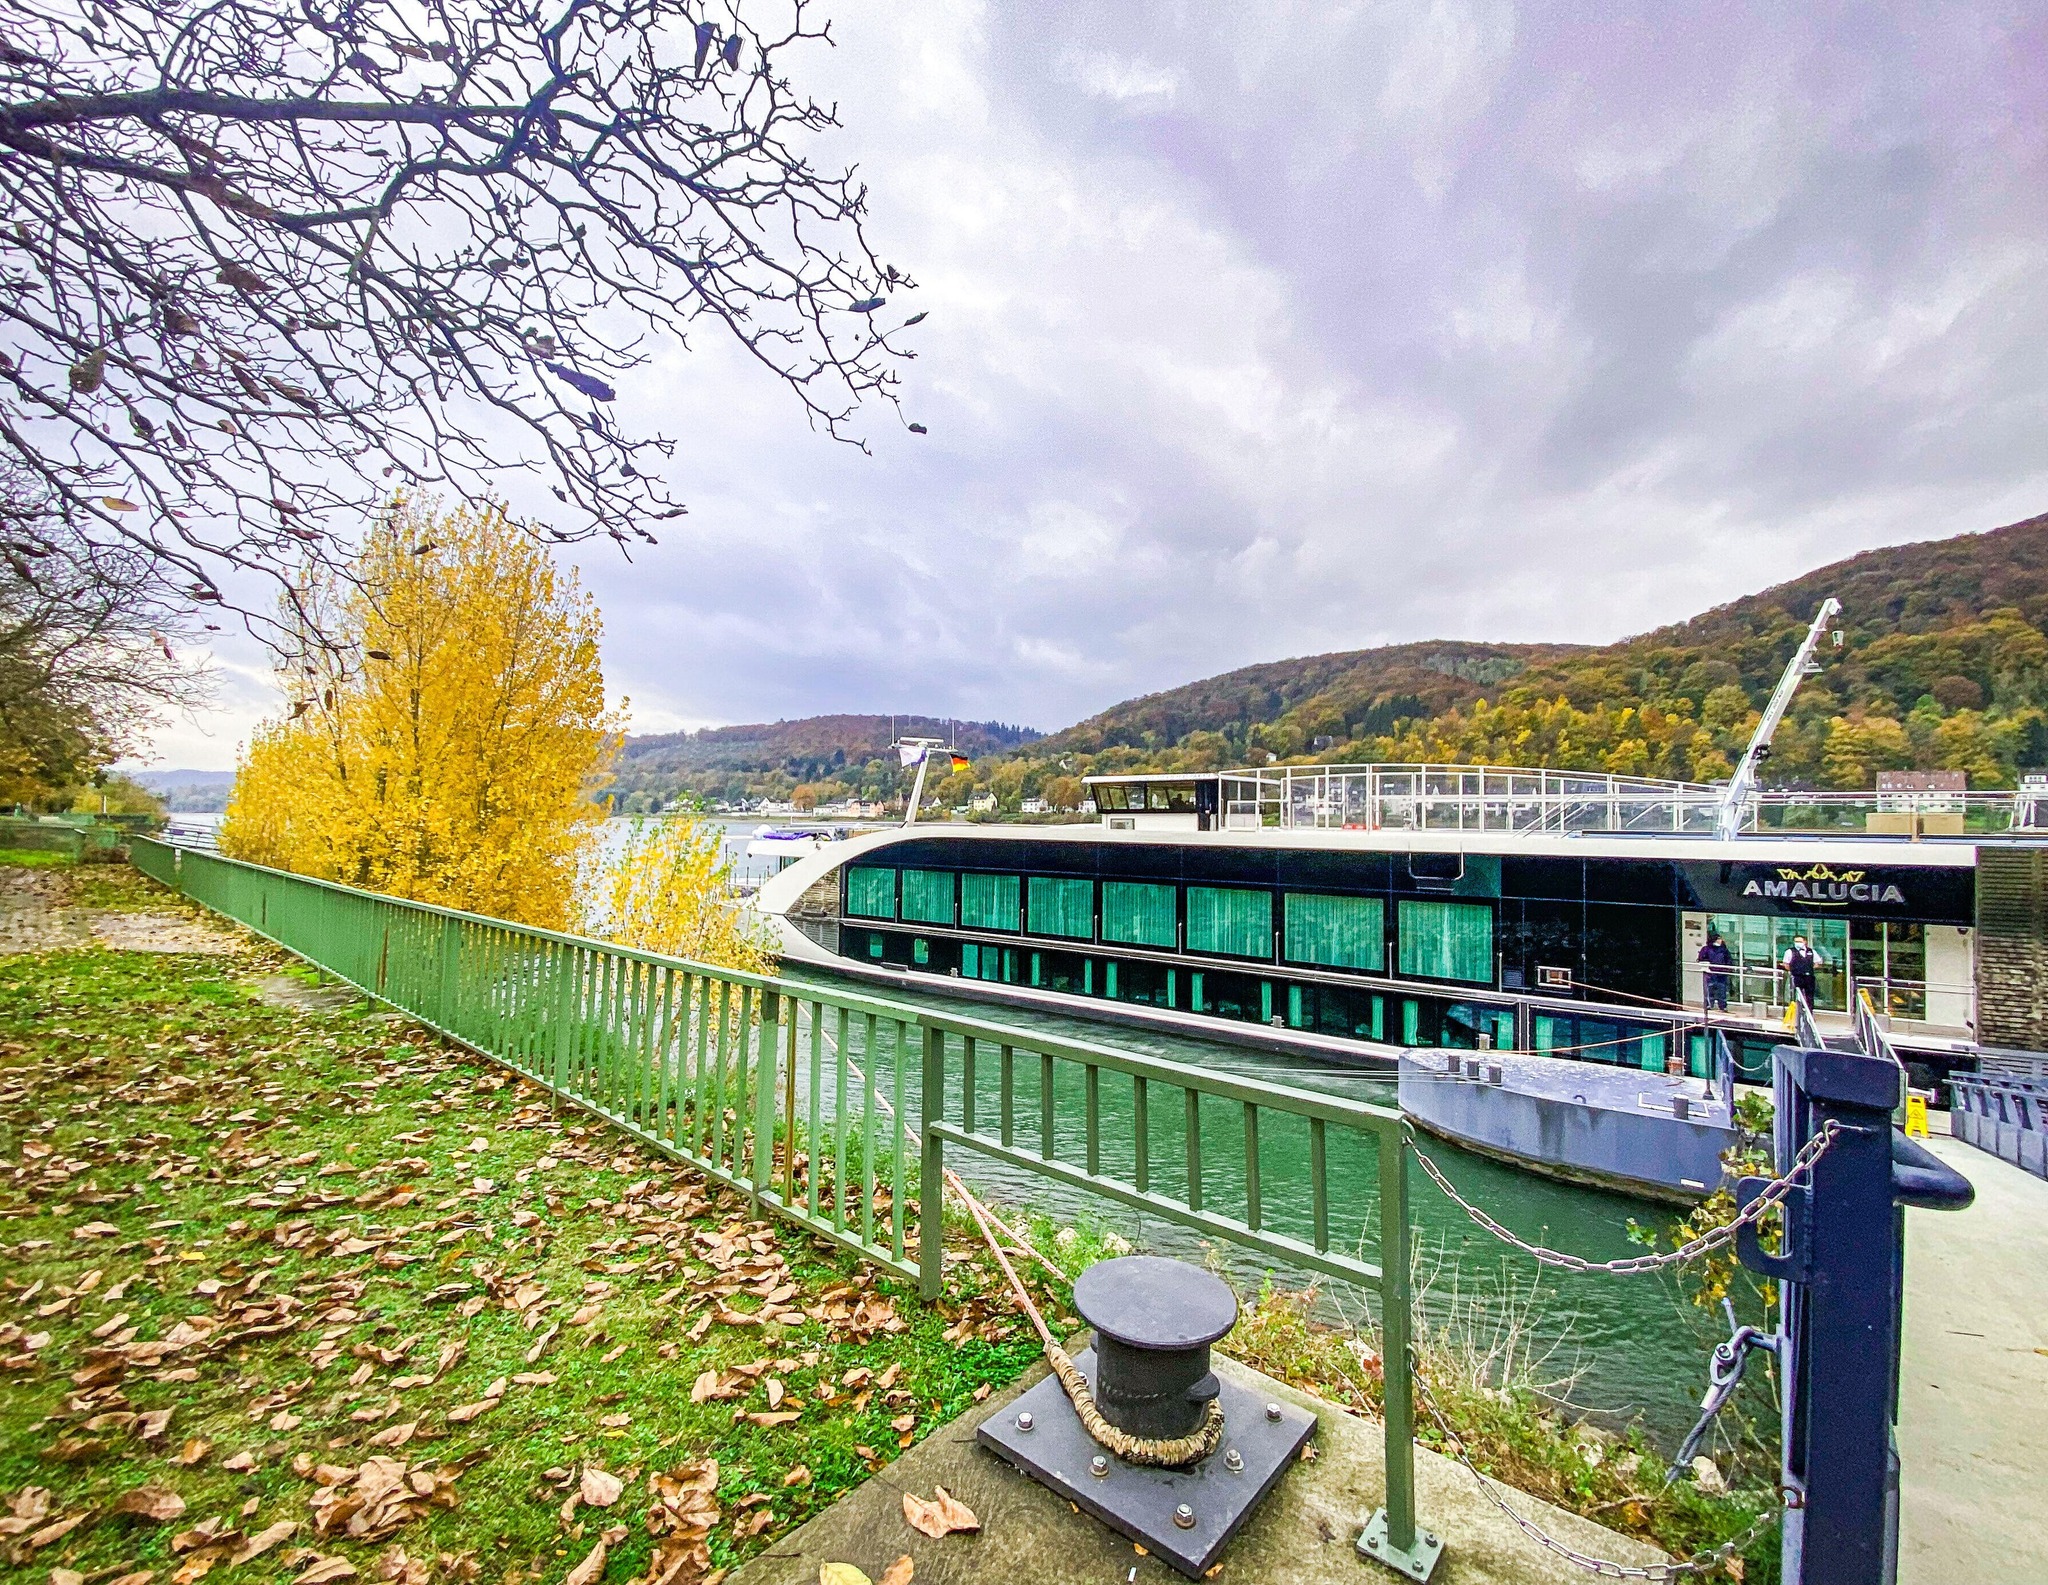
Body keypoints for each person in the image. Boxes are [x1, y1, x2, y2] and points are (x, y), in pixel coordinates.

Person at [1697, 928, 1733, 1012]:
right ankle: (1709, 1005)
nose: (1720, 940)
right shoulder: (1706, 949)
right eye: (1719, 939)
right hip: (1710, 973)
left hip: (1721, 973)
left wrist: (1728, 969)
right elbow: (1701, 958)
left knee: (1722, 991)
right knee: (1710, 990)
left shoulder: (1724, 950)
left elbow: (1729, 960)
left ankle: (1723, 1006)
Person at [1782, 933, 1820, 1008]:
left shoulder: (1811, 951)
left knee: (1809, 996)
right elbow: (1786, 964)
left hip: (1809, 977)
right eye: (1796, 941)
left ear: (1805, 942)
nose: (1797, 943)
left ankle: (1809, 1013)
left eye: (1799, 941)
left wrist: (1809, 969)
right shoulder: (1790, 951)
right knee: (1795, 995)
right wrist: (1795, 970)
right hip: (1797, 977)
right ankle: (1796, 1013)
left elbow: (1817, 962)